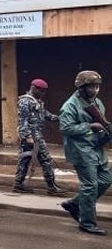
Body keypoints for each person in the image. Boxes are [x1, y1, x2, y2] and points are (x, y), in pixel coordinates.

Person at [59, 71, 112, 235]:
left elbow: (101, 120)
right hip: (81, 149)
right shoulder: (70, 106)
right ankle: (87, 222)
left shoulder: (96, 102)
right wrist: (89, 127)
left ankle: (75, 203)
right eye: (92, 87)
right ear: (82, 88)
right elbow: (66, 128)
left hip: (96, 148)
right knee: (90, 185)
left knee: (106, 179)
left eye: (97, 87)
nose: (95, 90)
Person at [13, 79, 66, 195]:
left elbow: (46, 115)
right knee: (45, 159)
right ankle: (52, 187)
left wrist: (60, 118)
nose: (43, 93)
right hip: (32, 135)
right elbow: (23, 121)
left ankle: (18, 184)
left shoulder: (37, 102)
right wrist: (27, 137)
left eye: (44, 91)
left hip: (35, 134)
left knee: (25, 159)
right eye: (41, 91)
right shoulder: (25, 102)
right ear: (34, 88)